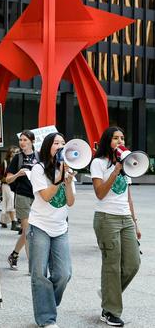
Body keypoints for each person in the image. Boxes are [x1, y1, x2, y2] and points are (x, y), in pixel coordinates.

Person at [90, 126, 141, 327]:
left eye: (122, 138)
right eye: (115, 138)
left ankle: (108, 293)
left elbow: (127, 196)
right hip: (106, 218)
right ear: (107, 141)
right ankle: (110, 311)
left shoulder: (127, 164)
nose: (120, 141)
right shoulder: (98, 163)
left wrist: (135, 223)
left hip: (125, 219)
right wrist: (116, 170)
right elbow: (100, 193)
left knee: (133, 264)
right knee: (112, 265)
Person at [27, 132, 75, 328]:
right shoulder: (38, 169)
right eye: (56, 143)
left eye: (63, 143)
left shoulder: (68, 169)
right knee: (39, 274)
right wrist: (59, 178)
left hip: (60, 227)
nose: (61, 146)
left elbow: (70, 202)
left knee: (64, 274)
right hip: (39, 226)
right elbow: (46, 196)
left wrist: (69, 182)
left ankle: (46, 304)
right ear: (48, 147)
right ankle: (47, 318)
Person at [6, 130, 39, 271]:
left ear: (32, 141)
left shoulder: (39, 157)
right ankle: (32, 267)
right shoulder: (17, 158)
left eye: (25, 140)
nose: (22, 142)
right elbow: (7, 179)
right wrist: (18, 174)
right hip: (22, 196)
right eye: (21, 140)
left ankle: (14, 254)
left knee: (30, 231)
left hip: (38, 196)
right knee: (27, 230)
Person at [0, 146, 20, 230]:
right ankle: (14, 222)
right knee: (11, 201)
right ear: (10, 153)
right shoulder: (5, 162)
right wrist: (5, 179)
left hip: (17, 185)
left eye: (17, 152)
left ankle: (3, 221)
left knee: (7, 203)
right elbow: (0, 175)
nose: (15, 153)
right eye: (13, 152)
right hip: (7, 185)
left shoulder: (19, 162)